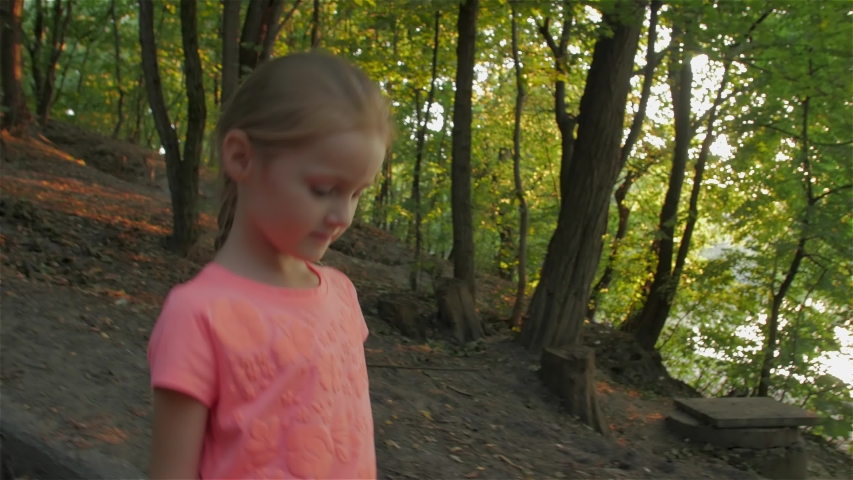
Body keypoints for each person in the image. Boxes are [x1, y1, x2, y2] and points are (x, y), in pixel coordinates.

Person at [146, 51, 392, 480]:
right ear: (241, 158)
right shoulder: (200, 315)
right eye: (323, 189)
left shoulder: (341, 295)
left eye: (356, 194)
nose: (344, 216)